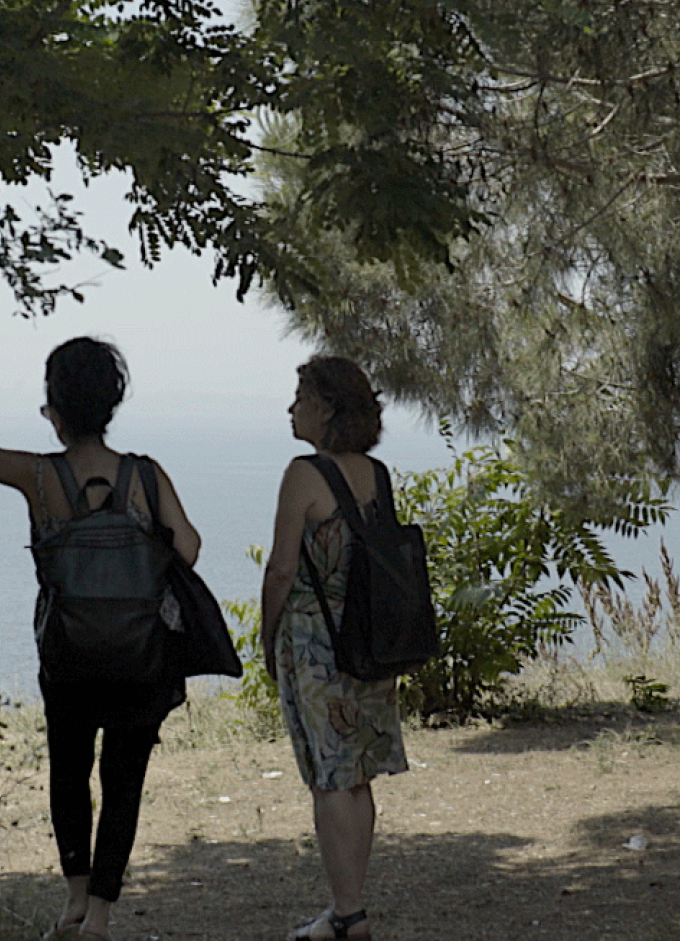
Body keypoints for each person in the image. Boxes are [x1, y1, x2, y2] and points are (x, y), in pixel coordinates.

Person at [0, 334, 199, 941]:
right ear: (113, 403)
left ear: (54, 406)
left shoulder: (39, 477)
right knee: (123, 781)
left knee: (69, 771)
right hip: (140, 659)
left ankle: (75, 900)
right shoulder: (145, 477)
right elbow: (189, 547)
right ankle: (101, 915)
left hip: (68, 657)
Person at [261, 356, 409, 941]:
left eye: (299, 395)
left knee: (328, 776)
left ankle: (348, 913)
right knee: (358, 775)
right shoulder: (377, 472)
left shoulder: (304, 473)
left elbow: (280, 569)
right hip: (373, 640)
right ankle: (350, 903)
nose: (291, 406)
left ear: (325, 408)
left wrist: (268, 638)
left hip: (316, 644)